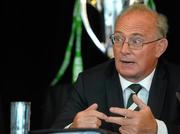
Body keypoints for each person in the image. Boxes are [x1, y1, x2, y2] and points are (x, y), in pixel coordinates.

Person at [52, 4, 180, 134]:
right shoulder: (89, 82)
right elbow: (56, 130)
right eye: (118, 39)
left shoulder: (177, 81)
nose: (123, 50)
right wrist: (73, 129)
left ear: (160, 47)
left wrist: (158, 129)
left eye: (136, 41)